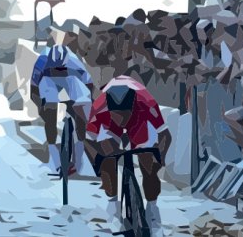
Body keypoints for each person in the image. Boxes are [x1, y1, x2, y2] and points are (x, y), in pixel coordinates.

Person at [85, 76, 172, 235]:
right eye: (117, 115)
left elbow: (165, 135)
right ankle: (113, 205)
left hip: (139, 121)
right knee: (107, 159)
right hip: (109, 126)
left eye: (124, 114)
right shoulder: (100, 108)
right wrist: (99, 165)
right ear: (109, 109)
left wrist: (160, 159)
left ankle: (152, 207)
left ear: (132, 106)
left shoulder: (146, 103)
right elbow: (88, 141)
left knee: (149, 163)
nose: (122, 119)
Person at [31, 28, 95, 175]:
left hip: (72, 79)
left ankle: (79, 159)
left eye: (61, 69)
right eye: (55, 69)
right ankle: (55, 159)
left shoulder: (74, 62)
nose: (58, 70)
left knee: (81, 113)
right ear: (50, 64)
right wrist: (42, 109)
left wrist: (84, 112)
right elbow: (33, 89)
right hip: (48, 80)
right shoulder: (42, 61)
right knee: (49, 114)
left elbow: (89, 86)